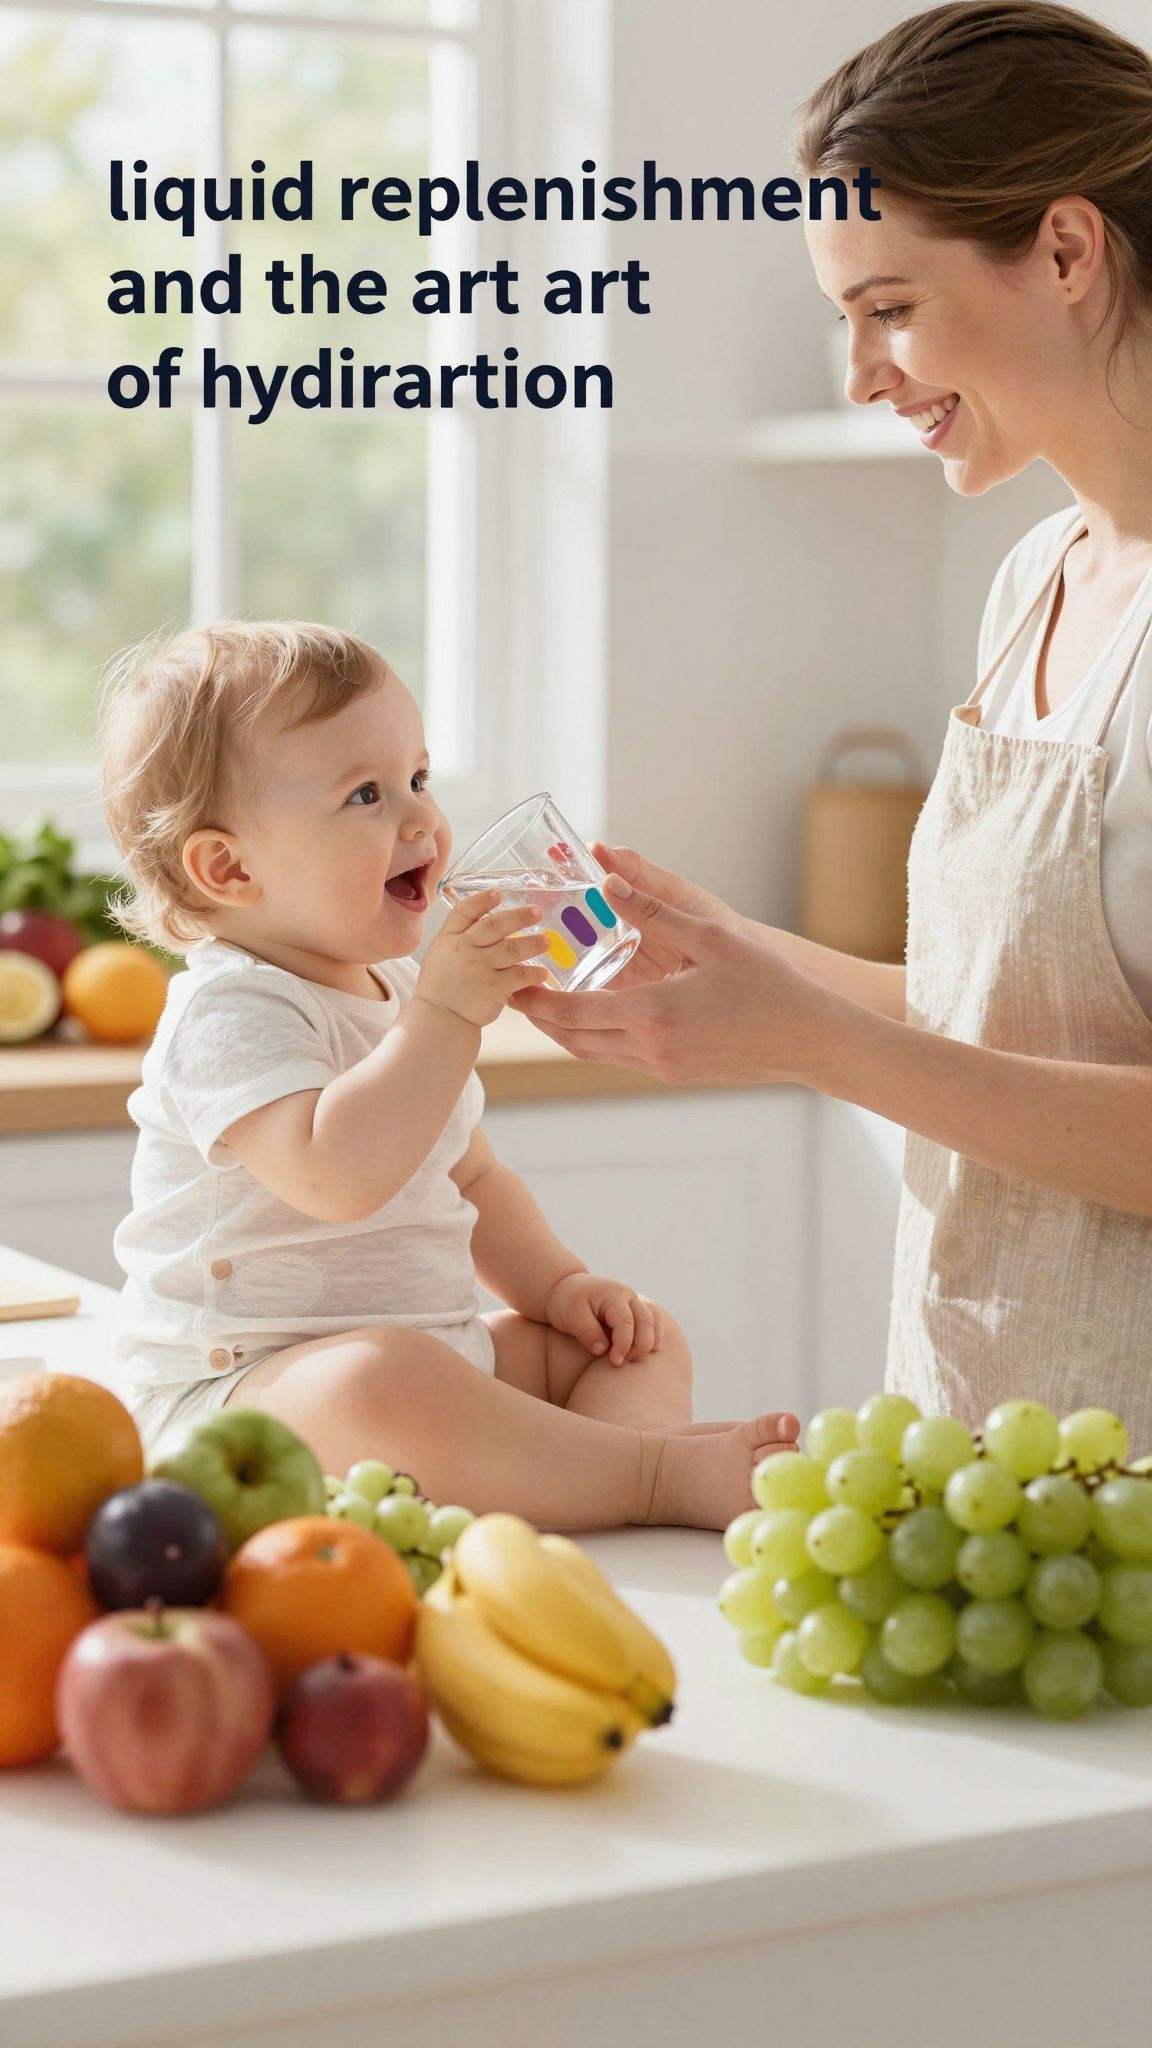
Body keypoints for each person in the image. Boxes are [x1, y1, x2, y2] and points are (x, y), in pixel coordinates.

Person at [514, 1, 1152, 1442]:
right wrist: (737, 966)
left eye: (891, 306)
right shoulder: (1037, 578)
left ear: (1065, 248)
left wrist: (814, 1042)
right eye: (844, 320)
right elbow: (992, 1018)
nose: (863, 374)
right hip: (988, 1439)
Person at [97, 621, 798, 1530]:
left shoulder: (393, 991)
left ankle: (596, 1492)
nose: (421, 818)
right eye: (364, 795)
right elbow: (337, 1175)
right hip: (241, 1406)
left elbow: (468, 1175)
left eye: (418, 779)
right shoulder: (230, 1013)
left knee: (632, 1342)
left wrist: (557, 1289)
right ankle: (649, 1478)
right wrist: (445, 1017)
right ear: (229, 867)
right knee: (383, 1378)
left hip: (434, 1359)